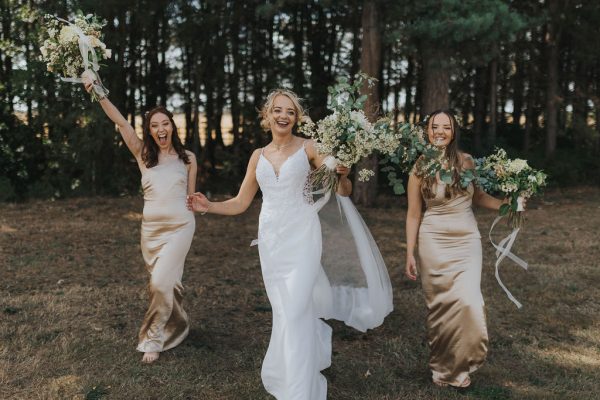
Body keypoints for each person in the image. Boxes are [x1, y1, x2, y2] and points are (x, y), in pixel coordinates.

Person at [187, 89, 393, 399]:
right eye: (278, 110)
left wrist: (343, 174)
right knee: (284, 311)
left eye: (290, 111)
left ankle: (298, 392)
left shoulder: (310, 148)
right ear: (267, 115)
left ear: (297, 118)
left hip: (303, 237)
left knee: (295, 309)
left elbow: (343, 190)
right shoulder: (258, 156)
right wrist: (209, 206)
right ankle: (291, 373)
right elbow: (241, 202)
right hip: (272, 241)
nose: (283, 116)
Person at [405, 110, 524, 388]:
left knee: (469, 302)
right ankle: (442, 368)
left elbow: (479, 196)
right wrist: (410, 251)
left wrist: (508, 205)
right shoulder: (419, 167)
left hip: (466, 239)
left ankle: (462, 363)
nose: (440, 132)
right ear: (427, 131)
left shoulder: (466, 161)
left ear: (454, 132)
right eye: (435, 127)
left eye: (446, 127)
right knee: (440, 306)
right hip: (433, 240)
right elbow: (413, 214)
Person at [83, 77, 197, 364]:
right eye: (154, 126)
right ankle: (179, 324)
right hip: (151, 232)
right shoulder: (144, 154)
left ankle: (152, 339)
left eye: (165, 123)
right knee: (167, 283)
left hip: (181, 227)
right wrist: (98, 92)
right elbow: (121, 123)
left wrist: (202, 204)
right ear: (149, 131)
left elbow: (191, 198)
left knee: (159, 283)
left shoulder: (188, 159)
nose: (161, 129)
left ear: (173, 126)